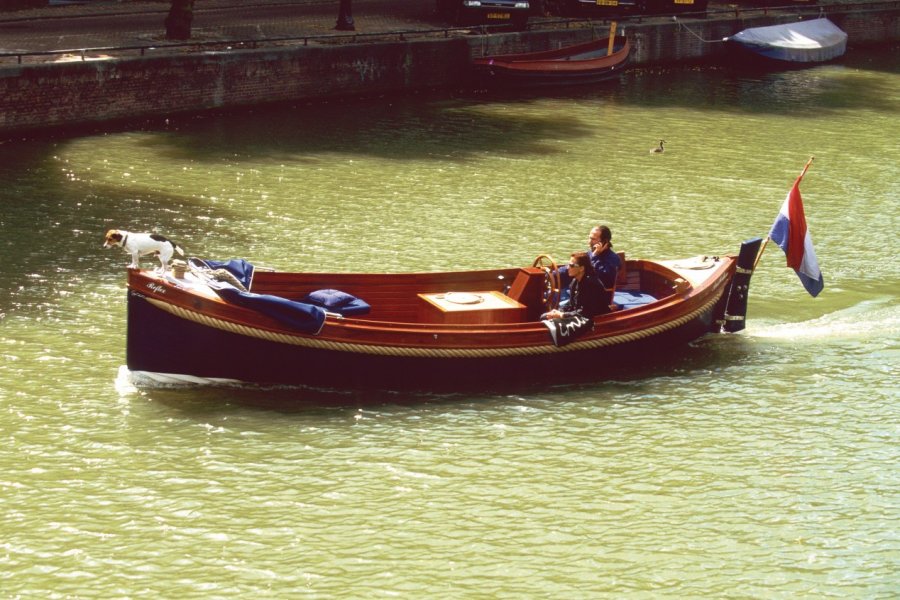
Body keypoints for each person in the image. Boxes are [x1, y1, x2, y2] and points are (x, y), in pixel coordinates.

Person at [543, 252, 608, 320]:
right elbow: (571, 304)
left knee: (545, 319)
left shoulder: (591, 284)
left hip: (593, 319)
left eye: (571, 265)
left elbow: (586, 311)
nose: (568, 268)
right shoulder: (575, 281)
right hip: (579, 314)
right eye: (568, 265)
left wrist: (563, 315)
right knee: (545, 316)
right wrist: (559, 311)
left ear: (581, 268)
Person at [587, 225, 621, 294]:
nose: (589, 242)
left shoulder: (613, 258)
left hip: (600, 296)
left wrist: (595, 256)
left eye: (593, 239)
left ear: (604, 241)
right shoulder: (590, 253)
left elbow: (604, 278)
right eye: (589, 238)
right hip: (584, 291)